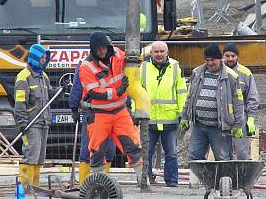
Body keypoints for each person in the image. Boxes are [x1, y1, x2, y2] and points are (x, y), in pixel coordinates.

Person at [78, 32, 145, 182]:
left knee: (133, 146)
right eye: (98, 49)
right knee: (97, 151)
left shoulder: (118, 55)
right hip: (98, 114)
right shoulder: (86, 66)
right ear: (93, 50)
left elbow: (131, 63)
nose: (102, 51)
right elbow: (93, 92)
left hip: (120, 112)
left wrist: (135, 62)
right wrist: (117, 92)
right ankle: (99, 183)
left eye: (104, 47)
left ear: (108, 46)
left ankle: (143, 180)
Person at [180, 43, 245, 161]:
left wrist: (238, 125)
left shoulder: (231, 76)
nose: (210, 63)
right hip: (199, 126)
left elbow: (238, 102)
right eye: (207, 60)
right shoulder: (197, 72)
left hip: (219, 127)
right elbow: (190, 96)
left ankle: (223, 179)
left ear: (220, 59)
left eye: (213, 60)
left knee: (223, 158)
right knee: (194, 157)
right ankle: (198, 180)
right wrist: (185, 116)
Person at [139, 41, 187, 187]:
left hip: (170, 118)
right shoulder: (143, 68)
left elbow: (182, 92)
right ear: (150, 53)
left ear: (167, 53)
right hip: (148, 118)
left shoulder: (175, 67)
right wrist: (137, 113)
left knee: (171, 153)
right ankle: (144, 180)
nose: (159, 54)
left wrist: (182, 112)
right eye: (156, 52)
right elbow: (137, 91)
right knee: (146, 152)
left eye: (162, 51)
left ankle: (172, 181)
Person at [69, 60, 117, 186]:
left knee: (104, 150)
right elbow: (77, 88)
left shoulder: (114, 64)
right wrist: (74, 107)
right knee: (94, 150)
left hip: (108, 112)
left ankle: (95, 184)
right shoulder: (87, 65)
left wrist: (74, 107)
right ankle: (89, 185)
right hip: (96, 113)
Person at [14, 44, 52, 189]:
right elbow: (20, 102)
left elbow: (50, 95)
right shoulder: (23, 77)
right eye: (42, 57)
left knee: (39, 158)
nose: (44, 60)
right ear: (35, 57)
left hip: (44, 122)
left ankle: (34, 187)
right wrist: (22, 122)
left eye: (45, 57)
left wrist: (60, 90)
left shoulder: (44, 76)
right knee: (31, 155)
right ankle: (23, 188)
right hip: (31, 123)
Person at [222, 43, 260, 160]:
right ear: (223, 56)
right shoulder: (217, 70)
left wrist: (251, 118)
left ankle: (243, 177)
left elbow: (252, 97)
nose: (230, 59)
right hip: (221, 118)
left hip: (239, 118)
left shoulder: (245, 73)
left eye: (233, 56)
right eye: (227, 56)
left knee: (242, 152)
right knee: (223, 152)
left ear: (237, 56)